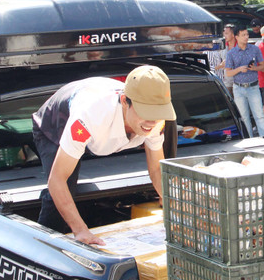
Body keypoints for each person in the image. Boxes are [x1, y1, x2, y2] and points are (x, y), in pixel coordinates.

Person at [32, 65, 176, 244]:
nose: (152, 121)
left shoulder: (156, 121)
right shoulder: (90, 116)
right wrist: (81, 231)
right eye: (146, 113)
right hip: (55, 126)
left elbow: (156, 169)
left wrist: (173, 208)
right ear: (125, 101)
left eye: (157, 113)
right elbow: (57, 179)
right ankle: (43, 248)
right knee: (63, 190)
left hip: (99, 128)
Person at [225, 25, 264, 137]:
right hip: (238, 88)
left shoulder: (255, 49)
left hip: (253, 86)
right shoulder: (231, 53)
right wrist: (239, 69)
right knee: (244, 117)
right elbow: (228, 73)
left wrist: (254, 68)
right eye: (243, 35)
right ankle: (248, 140)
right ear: (236, 37)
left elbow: (263, 66)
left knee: (259, 115)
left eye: (247, 34)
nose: (246, 37)